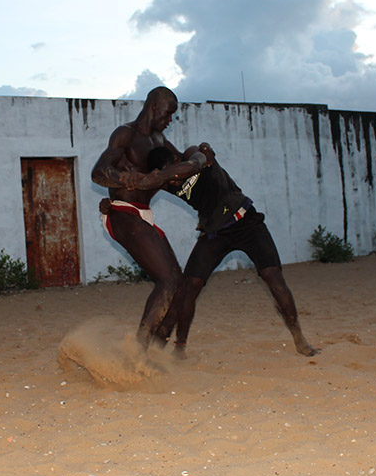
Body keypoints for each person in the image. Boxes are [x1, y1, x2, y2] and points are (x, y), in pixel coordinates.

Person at [141, 145, 317, 358]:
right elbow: (136, 191)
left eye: (173, 172)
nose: (174, 180)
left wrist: (206, 154)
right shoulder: (166, 183)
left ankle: (299, 338)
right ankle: (180, 347)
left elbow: (200, 154)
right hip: (214, 234)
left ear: (176, 159)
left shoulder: (190, 156)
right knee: (189, 287)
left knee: (274, 277)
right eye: (169, 178)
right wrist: (111, 205)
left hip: (247, 223)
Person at [91, 87, 207, 349]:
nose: (169, 120)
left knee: (179, 286)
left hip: (142, 216)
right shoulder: (126, 134)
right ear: (154, 107)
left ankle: (155, 347)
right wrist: (124, 178)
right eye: (167, 114)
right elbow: (97, 172)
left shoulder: (159, 140)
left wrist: (198, 157)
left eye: (172, 116)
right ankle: (138, 351)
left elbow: (184, 163)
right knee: (168, 280)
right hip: (122, 212)